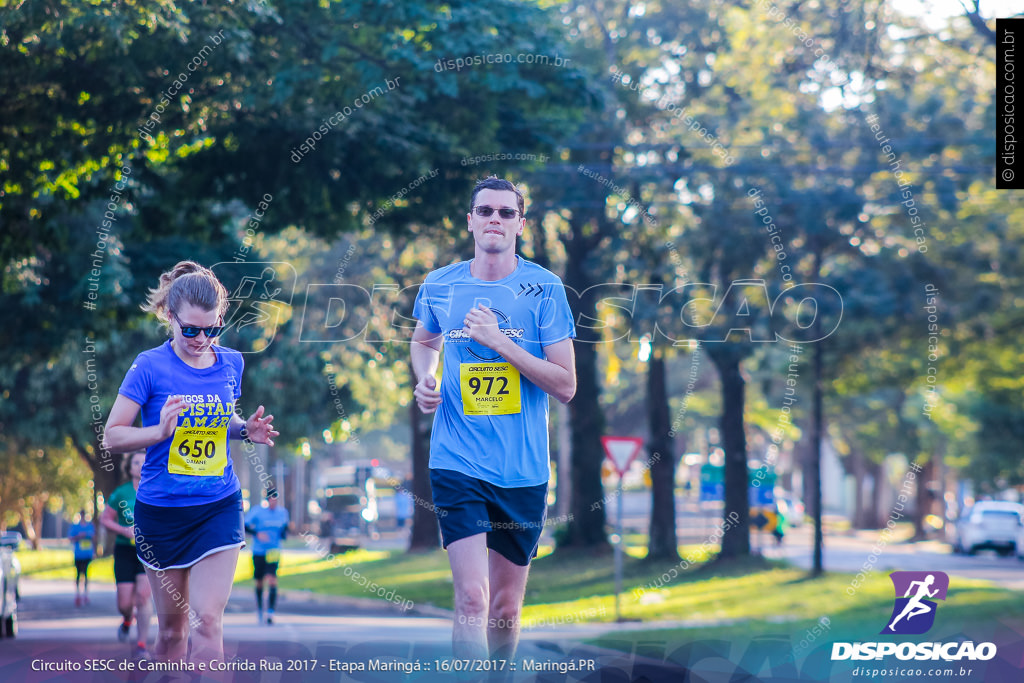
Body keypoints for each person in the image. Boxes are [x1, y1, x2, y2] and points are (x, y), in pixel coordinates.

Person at [411, 176, 577, 660]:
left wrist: (501, 343)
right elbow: (424, 342)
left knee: (504, 609)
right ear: (470, 220)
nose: (495, 220)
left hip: (522, 470)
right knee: (472, 599)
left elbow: (566, 385)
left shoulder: (543, 289)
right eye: (485, 211)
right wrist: (427, 377)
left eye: (506, 213)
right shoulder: (441, 284)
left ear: (520, 225)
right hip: (457, 460)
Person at [103, 260, 278, 665]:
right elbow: (113, 435)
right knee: (171, 633)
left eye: (213, 328)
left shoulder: (232, 362)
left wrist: (242, 429)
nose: (202, 338)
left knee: (207, 623)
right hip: (161, 514)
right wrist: (157, 433)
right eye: (191, 329)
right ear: (169, 315)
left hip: (218, 505)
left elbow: (221, 420)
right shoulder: (149, 366)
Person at [100, 450, 153, 656]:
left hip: (148, 551)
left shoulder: (155, 491)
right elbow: (105, 519)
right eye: (136, 462)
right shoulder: (121, 493)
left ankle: (141, 645)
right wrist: (124, 530)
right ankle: (127, 619)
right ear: (129, 468)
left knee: (143, 597)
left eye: (144, 462)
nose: (140, 466)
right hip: (124, 550)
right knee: (124, 604)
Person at [244, 486, 290, 625]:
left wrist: (283, 533)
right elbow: (245, 525)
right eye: (271, 499)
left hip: (273, 551)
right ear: (267, 499)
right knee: (259, 581)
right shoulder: (257, 512)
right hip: (258, 551)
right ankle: (259, 609)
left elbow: (284, 529)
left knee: (272, 579)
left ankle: (270, 612)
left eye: (275, 499)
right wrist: (257, 533)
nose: (273, 502)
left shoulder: (282, 513)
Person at [69, 509, 94, 607]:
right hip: (78, 554)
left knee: (86, 574)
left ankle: (86, 595)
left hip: (87, 554)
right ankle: (78, 594)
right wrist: (79, 536)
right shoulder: (75, 527)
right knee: (78, 574)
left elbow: (94, 537)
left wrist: (95, 551)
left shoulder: (90, 526)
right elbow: (70, 538)